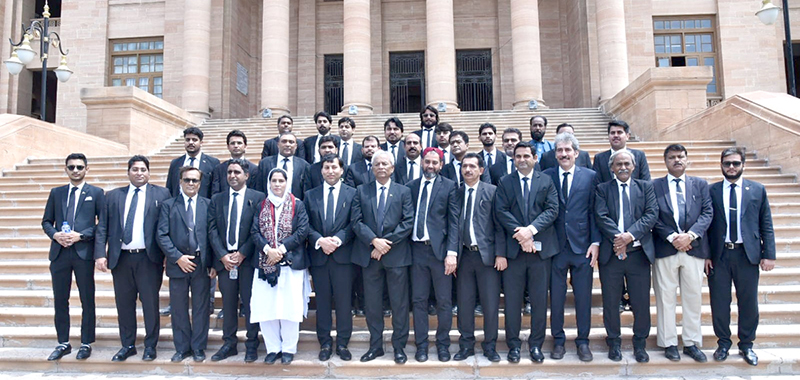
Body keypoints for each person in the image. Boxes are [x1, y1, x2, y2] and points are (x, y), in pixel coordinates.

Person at [94, 155, 170, 362]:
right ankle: (127, 345)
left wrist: (167, 255)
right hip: (121, 259)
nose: (139, 173)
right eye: (135, 169)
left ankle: (150, 345)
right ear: (128, 172)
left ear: (149, 172)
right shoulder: (112, 196)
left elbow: (167, 226)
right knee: (124, 304)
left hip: (149, 258)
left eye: (143, 169)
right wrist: (100, 254)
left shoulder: (162, 194)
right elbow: (102, 227)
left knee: (150, 304)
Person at [706, 147, 776, 366]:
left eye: (736, 163)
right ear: (721, 165)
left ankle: (746, 344)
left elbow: (766, 223)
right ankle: (723, 343)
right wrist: (706, 255)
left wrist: (769, 254)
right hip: (719, 255)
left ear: (743, 165)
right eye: (727, 163)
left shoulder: (757, 189)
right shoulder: (711, 190)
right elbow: (706, 225)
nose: (731, 167)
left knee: (748, 302)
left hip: (747, 255)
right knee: (719, 302)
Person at [495, 142, 559, 363]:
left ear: (535, 158)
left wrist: (530, 231)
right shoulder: (505, 182)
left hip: (540, 253)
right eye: (518, 156)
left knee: (539, 302)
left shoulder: (546, 181)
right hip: (514, 253)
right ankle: (513, 345)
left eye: (525, 156)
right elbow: (501, 211)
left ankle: (536, 345)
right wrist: (521, 235)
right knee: (512, 302)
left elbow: (552, 210)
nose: (521, 160)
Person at [594, 150, 658, 364]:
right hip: (611, 255)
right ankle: (614, 342)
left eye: (626, 164)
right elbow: (601, 216)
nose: (622, 167)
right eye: (618, 164)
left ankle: (640, 343)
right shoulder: (603, 189)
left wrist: (629, 236)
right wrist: (619, 240)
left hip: (638, 254)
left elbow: (651, 214)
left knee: (641, 302)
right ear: (612, 168)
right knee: (611, 302)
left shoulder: (645, 187)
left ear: (634, 166)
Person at [351, 150, 414, 364]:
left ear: (392, 168)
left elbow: (407, 222)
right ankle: (375, 346)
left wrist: (384, 243)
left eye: (385, 164)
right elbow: (356, 221)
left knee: (399, 304)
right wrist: (373, 241)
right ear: (372, 168)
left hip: (396, 256)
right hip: (370, 257)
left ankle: (399, 347)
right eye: (377, 164)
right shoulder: (361, 191)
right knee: (372, 304)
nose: (380, 167)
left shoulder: (404, 191)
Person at [652, 144, 713, 363]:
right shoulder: (654, 186)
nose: (677, 160)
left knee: (693, 297)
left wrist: (691, 236)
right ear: (665, 161)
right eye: (672, 157)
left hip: (694, 249)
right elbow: (652, 215)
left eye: (680, 156)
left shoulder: (700, 184)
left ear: (687, 160)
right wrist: (673, 238)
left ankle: (691, 342)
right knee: (665, 297)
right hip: (665, 249)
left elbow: (707, 213)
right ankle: (669, 342)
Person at [41, 153, 105, 361]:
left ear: (87, 169)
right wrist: (55, 235)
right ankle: (63, 342)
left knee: (87, 298)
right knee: (61, 299)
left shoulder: (96, 193)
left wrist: (81, 235)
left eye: (79, 167)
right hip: (59, 253)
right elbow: (46, 221)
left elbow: (102, 224)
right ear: (66, 169)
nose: (75, 170)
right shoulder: (56, 193)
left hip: (83, 253)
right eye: (71, 167)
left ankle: (86, 342)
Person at [543, 133, 599, 362]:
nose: (564, 154)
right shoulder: (546, 176)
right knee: (556, 298)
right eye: (560, 150)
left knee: (583, 297)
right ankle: (558, 340)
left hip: (583, 246)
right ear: (555, 153)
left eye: (568, 150)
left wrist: (595, 242)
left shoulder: (591, 176)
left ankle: (583, 341)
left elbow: (595, 211)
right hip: (555, 247)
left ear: (576, 153)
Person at [250, 168, 311, 365]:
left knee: (289, 309)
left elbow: (302, 231)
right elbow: (254, 231)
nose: (277, 184)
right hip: (265, 263)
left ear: (287, 183)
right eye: (274, 181)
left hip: (290, 263)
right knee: (266, 308)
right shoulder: (261, 205)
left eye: (281, 181)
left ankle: (288, 349)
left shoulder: (297, 204)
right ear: (269, 183)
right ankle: (273, 348)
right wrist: (268, 250)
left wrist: (281, 249)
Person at [208, 159, 266, 362]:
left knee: (250, 304)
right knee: (229, 304)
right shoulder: (217, 199)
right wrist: (222, 255)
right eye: (229, 172)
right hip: (225, 262)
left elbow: (258, 229)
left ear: (246, 175)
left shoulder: (258, 198)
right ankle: (229, 343)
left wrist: (242, 253)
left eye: (237, 172)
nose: (232, 175)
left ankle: (252, 343)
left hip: (248, 261)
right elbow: (212, 230)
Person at [407, 147, 459, 362]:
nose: (430, 166)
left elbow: (454, 222)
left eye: (434, 162)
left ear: (441, 165)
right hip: (416, 252)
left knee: (444, 301)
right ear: (422, 162)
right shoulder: (410, 187)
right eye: (427, 162)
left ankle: (443, 344)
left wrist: (452, 253)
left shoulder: (450, 186)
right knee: (418, 300)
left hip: (440, 253)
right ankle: (421, 345)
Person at [304, 155, 357, 361]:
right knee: (323, 303)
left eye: (334, 167)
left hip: (343, 257)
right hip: (319, 257)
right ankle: (325, 343)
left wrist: (338, 239)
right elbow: (305, 224)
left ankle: (343, 343)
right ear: (322, 170)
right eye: (326, 167)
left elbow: (355, 222)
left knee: (344, 302)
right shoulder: (311, 195)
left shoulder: (352, 193)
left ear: (341, 170)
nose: (330, 171)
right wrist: (319, 240)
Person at [158, 166, 213, 363]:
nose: (191, 183)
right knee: (179, 308)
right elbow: (162, 235)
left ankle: (198, 347)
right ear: (180, 182)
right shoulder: (169, 205)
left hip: (201, 263)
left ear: (200, 183)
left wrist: (213, 263)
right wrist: (177, 257)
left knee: (201, 307)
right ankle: (182, 348)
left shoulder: (208, 204)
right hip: (178, 263)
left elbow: (212, 235)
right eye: (187, 180)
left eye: (194, 180)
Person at [453, 153, 504, 363]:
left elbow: (500, 225)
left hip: (488, 257)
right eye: (464, 166)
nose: (468, 170)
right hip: (464, 256)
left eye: (472, 166)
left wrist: (500, 253)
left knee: (490, 304)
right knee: (464, 304)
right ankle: (466, 345)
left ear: (481, 170)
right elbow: (452, 226)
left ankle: (490, 346)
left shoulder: (492, 191)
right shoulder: (456, 193)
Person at [165, 127, 220, 198]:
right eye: (188, 140)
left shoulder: (213, 163)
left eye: (194, 140)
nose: (191, 142)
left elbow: (215, 189)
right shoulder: (175, 163)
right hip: (178, 203)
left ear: (201, 143)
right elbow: (169, 188)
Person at [256, 132, 310, 200]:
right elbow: (259, 187)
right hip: (269, 204)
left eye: (291, 142)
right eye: (284, 141)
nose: (287, 144)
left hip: (295, 204)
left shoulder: (304, 165)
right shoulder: (265, 163)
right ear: (278, 144)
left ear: (296, 146)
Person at [212, 130, 258, 195]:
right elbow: (215, 193)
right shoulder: (219, 168)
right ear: (228, 147)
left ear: (245, 146)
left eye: (239, 143)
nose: (236, 146)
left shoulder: (254, 169)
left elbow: (255, 193)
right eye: (232, 143)